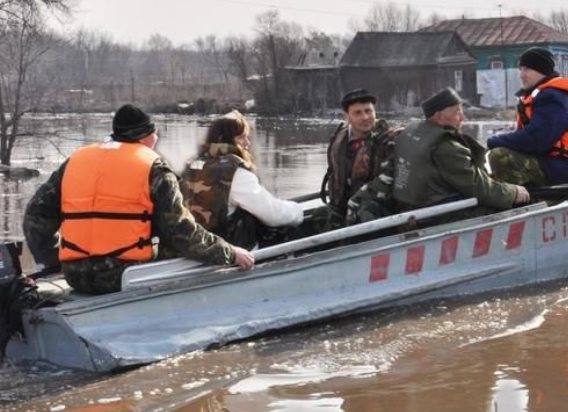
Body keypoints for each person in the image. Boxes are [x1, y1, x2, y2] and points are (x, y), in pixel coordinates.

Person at [23, 104, 255, 295]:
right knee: (180, 246)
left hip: (74, 275)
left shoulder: (75, 161)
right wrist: (230, 252)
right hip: (124, 275)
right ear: (147, 138)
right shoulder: (153, 168)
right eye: (154, 136)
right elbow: (181, 234)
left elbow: (35, 217)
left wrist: (54, 262)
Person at [391, 88, 530, 212]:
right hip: (432, 213)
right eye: (457, 112)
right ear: (439, 117)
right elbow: (477, 187)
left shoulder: (411, 132)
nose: (463, 118)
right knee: (498, 209)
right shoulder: (445, 146)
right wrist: (513, 193)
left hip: (407, 206)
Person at [180, 110, 304, 249]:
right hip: (230, 250)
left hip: (196, 245)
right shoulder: (235, 172)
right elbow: (272, 214)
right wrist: (297, 211)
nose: (248, 143)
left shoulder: (192, 165)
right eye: (241, 137)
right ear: (223, 139)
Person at [487, 47, 568, 187]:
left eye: (527, 69)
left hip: (563, 170)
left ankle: (521, 200)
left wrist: (495, 141)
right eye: (521, 69)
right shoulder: (543, 95)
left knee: (499, 155)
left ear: (542, 71)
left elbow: (536, 139)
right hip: (551, 164)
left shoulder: (553, 98)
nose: (522, 75)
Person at [321, 89, 399, 224]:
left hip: (377, 211)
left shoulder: (389, 140)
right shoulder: (338, 138)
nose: (365, 117)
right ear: (347, 116)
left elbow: (391, 178)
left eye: (368, 111)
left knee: (364, 213)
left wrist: (356, 201)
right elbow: (334, 173)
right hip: (342, 207)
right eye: (358, 113)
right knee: (319, 216)